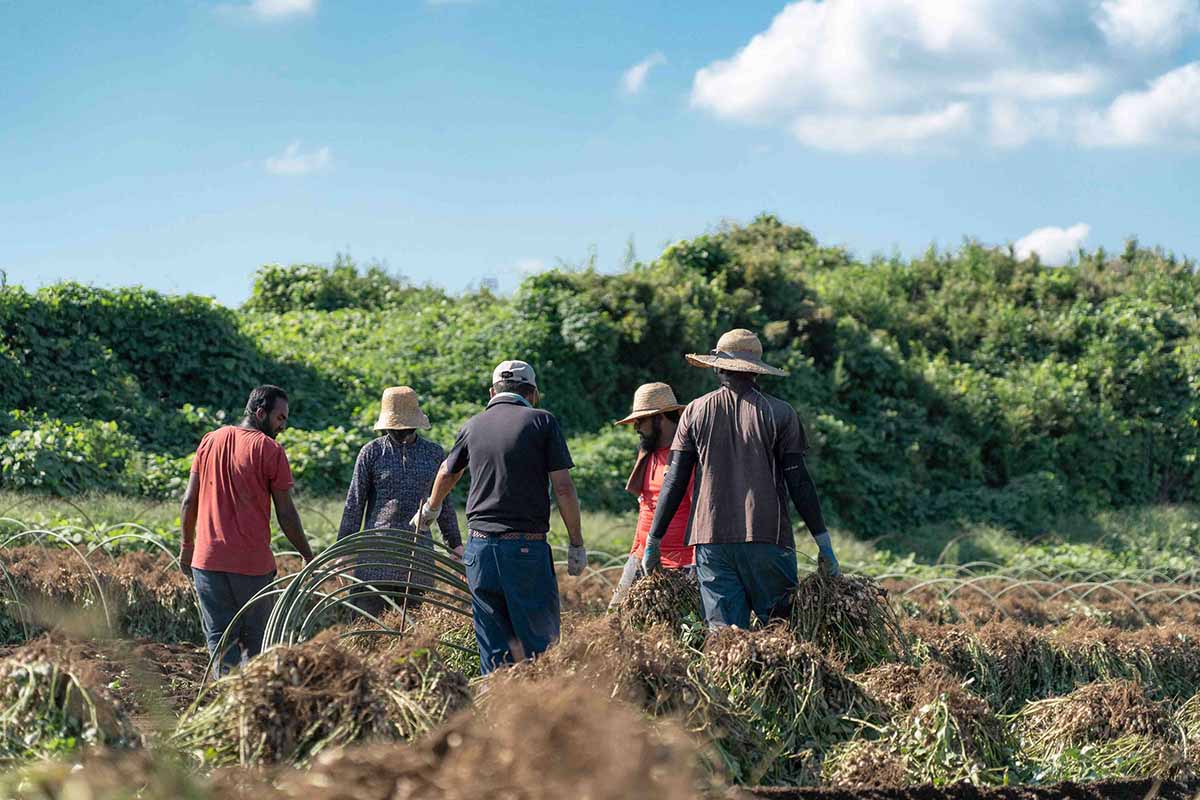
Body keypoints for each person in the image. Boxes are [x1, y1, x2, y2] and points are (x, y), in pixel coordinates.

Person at [641, 329, 840, 629]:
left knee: (725, 639)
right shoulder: (780, 413)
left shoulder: (694, 412)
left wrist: (653, 541)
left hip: (711, 541)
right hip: (767, 539)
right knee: (780, 633)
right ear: (756, 371)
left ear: (718, 366)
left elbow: (675, 479)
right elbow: (799, 483)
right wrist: (823, 544)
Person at [412, 360, 587, 673]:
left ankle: (497, 715)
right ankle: (542, 715)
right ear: (532, 394)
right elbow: (563, 488)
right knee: (540, 651)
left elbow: (447, 472)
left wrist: (430, 509)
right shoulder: (542, 422)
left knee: (494, 652)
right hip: (524, 550)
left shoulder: (472, 425)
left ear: (492, 392)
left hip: (479, 551)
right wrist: (576, 543)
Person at [180, 385, 315, 674]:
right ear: (260, 412)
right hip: (251, 568)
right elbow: (286, 514)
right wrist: (307, 554)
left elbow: (189, 500)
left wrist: (186, 548)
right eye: (280, 418)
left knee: (220, 643)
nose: (282, 426)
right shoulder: (269, 450)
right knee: (257, 645)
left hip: (207, 563)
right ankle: (252, 710)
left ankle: (225, 708)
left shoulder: (210, 440)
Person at [337, 386, 462, 617]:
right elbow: (354, 504)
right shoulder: (371, 453)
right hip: (376, 557)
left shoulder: (433, 453)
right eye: (396, 427)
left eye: (405, 426)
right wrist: (343, 550)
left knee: (413, 633)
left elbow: (444, 502)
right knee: (368, 626)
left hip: (418, 555)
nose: (401, 431)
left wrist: (455, 545)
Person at [607, 382, 696, 610]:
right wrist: (636, 551)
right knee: (614, 618)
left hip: (679, 563)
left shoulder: (688, 458)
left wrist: (696, 565)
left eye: (641, 421)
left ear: (660, 418)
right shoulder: (647, 451)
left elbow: (700, 512)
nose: (636, 427)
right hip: (641, 556)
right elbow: (645, 506)